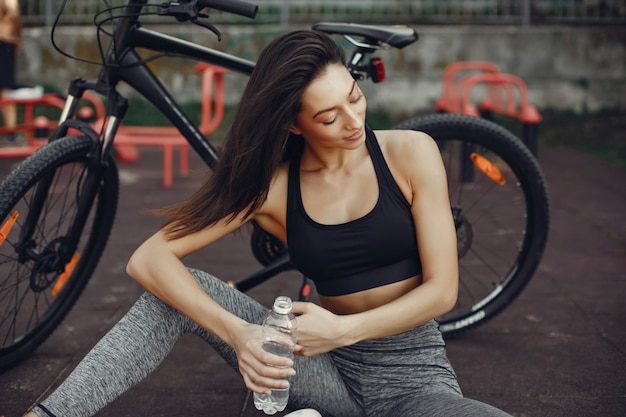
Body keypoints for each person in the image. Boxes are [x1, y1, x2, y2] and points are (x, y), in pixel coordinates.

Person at [25, 30, 513, 417]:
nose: (352, 121)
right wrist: (241, 335)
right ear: (294, 123)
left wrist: (342, 330)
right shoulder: (274, 187)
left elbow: (443, 292)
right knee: (171, 294)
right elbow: (148, 259)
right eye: (328, 116)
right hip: (318, 373)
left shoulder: (411, 154)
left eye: (355, 96)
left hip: (414, 383)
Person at [0, 0, 20, 142]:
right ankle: (11, 132)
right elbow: (13, 12)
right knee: (6, 89)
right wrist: (18, 34)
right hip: (4, 40)